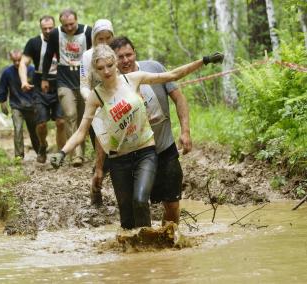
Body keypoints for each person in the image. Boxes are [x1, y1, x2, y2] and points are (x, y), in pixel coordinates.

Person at [50, 44, 223, 229]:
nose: (106, 71)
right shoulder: (95, 96)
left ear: (115, 63)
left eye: (109, 65)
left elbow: (173, 75)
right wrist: (62, 152)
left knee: (140, 201)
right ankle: (136, 251)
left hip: (145, 152)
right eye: (100, 68)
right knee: (127, 220)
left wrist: (204, 61)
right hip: (119, 159)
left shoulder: (133, 79)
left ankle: (148, 249)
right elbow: (81, 132)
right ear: (95, 70)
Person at [102, 36, 192, 225]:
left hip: (164, 146)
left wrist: (185, 131)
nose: (126, 60)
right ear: (112, 60)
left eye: (129, 54)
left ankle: (169, 245)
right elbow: (103, 128)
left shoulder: (154, 68)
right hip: (134, 155)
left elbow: (179, 98)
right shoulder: (110, 85)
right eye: (120, 57)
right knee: (138, 205)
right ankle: (145, 244)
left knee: (172, 204)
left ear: (135, 53)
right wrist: (100, 166)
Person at [41, 8, 92, 167]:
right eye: (66, 25)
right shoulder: (56, 34)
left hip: (84, 79)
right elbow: (48, 56)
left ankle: (84, 150)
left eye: (72, 24)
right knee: (70, 115)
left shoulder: (87, 32)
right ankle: (76, 155)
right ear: (61, 23)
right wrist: (44, 78)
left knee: (83, 117)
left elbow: (95, 54)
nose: (69, 28)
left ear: (77, 20)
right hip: (63, 80)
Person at [19, 15, 66, 164]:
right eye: (44, 28)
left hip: (59, 82)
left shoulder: (62, 39)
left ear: (55, 26)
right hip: (40, 86)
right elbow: (23, 63)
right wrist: (24, 81)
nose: (47, 31)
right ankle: (42, 145)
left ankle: (60, 153)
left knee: (61, 122)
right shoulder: (33, 43)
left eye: (50, 28)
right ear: (40, 28)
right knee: (41, 123)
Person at [80, 19, 114, 205]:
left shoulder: (118, 52)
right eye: (100, 38)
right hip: (98, 109)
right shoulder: (87, 56)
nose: (104, 42)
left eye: (108, 38)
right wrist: (95, 100)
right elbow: (84, 86)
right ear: (93, 39)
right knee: (103, 155)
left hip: (120, 107)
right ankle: (96, 187)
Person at [0, 50, 40, 160]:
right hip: (16, 105)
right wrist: (3, 104)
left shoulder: (32, 70)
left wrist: (39, 104)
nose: (17, 63)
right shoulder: (7, 72)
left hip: (32, 106)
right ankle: (19, 156)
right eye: (14, 61)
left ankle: (40, 152)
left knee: (34, 132)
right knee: (18, 129)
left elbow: (39, 89)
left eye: (19, 60)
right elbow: (2, 89)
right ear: (11, 60)